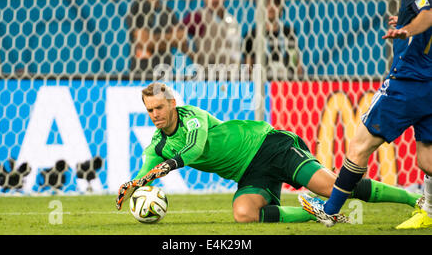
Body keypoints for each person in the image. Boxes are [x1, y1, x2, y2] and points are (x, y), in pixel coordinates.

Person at [115, 82, 422, 224]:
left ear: (171, 104)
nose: (155, 114)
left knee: (333, 186)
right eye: (149, 110)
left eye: (159, 107)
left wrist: (166, 167)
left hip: (268, 145)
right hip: (250, 173)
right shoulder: (157, 145)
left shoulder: (191, 116)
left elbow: (193, 149)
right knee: (244, 214)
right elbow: (145, 171)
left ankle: (414, 198)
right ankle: (316, 212)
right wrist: (133, 185)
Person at [299, 0, 432, 229]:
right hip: (430, 85)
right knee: (427, 161)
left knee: (358, 146)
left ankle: (330, 210)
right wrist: (407, 19)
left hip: (406, 83)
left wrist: (406, 29)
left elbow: (429, 15)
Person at [127, 0, 188, 79]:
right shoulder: (137, 8)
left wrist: (155, 39)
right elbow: (144, 42)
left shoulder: (168, 11)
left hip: (164, 71)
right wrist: (169, 41)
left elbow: (182, 39)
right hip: (141, 72)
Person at [182, 0, 242, 69]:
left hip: (232, 75)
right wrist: (193, 56)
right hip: (209, 76)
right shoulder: (198, 17)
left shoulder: (231, 20)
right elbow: (179, 32)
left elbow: (236, 49)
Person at [243, 0, 302, 80]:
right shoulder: (252, 34)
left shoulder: (289, 32)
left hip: (287, 81)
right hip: (262, 81)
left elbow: (296, 62)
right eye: (267, 4)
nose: (271, 7)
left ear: (281, 9)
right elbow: (248, 65)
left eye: (276, 3)